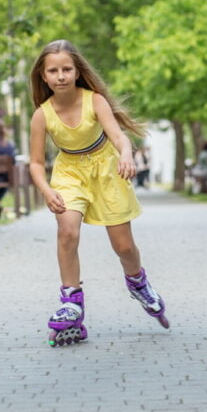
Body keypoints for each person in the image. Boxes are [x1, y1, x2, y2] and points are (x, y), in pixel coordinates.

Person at [28, 39, 169, 346]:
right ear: (43, 75)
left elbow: (118, 136)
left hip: (107, 171)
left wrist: (126, 155)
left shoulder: (95, 101)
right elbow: (36, 163)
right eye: (53, 70)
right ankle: (71, 300)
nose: (61, 76)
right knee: (67, 230)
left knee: (124, 247)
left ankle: (137, 282)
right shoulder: (42, 115)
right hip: (69, 172)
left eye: (67, 69)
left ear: (78, 71)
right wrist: (46, 189)